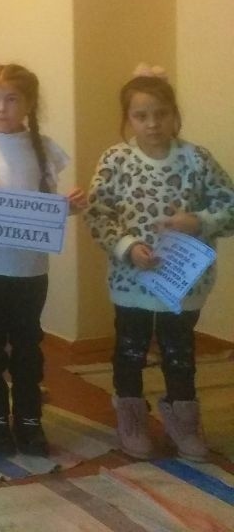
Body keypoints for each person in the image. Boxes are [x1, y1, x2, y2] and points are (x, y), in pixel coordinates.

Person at [86, 69, 234, 462]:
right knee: (130, 349)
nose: (152, 124)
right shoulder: (116, 160)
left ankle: (183, 421)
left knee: (179, 350)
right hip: (131, 280)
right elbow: (98, 213)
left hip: (183, 280)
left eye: (161, 114)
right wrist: (128, 247)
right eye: (141, 116)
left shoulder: (197, 160)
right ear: (128, 119)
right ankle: (131, 418)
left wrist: (199, 221)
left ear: (174, 114)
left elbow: (229, 205)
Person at [0, 63, 87, 457]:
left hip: (31, 268)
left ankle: (29, 418)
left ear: (29, 103)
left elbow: (46, 208)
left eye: (11, 99)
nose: (1, 108)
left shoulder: (42, 148)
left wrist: (69, 206)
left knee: (28, 342)